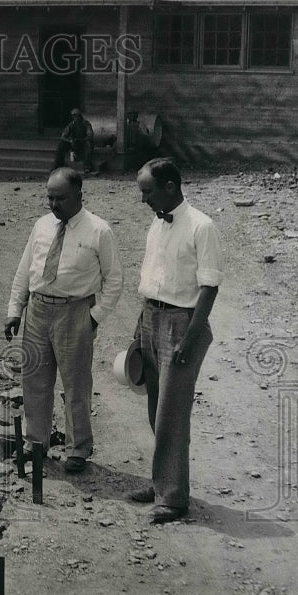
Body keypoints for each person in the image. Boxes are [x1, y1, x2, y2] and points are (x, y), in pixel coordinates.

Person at [4, 167, 123, 472]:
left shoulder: (99, 230)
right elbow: (24, 270)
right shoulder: (41, 226)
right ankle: (36, 442)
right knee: (34, 380)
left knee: (75, 385)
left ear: (79, 195)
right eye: (49, 197)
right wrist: (15, 311)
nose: (53, 204)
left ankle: (78, 449)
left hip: (75, 312)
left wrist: (94, 317)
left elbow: (115, 280)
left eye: (60, 198)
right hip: (38, 311)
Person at [132, 157, 224, 523]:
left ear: (170, 186)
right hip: (151, 317)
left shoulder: (203, 226)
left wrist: (192, 334)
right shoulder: (156, 225)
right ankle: (162, 483)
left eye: (147, 192)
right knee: (155, 407)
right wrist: (139, 326)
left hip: (181, 324)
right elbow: (152, 278)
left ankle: (173, 497)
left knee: (172, 413)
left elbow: (209, 286)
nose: (143, 200)